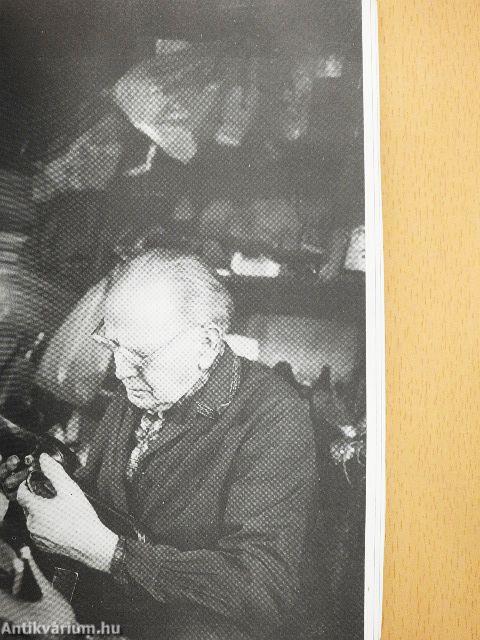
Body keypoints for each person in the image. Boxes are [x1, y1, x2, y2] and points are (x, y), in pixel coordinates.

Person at [0, 249, 316, 640]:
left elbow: (260, 588)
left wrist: (110, 552)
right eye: (113, 346)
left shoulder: (274, 417)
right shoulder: (144, 388)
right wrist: (45, 489)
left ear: (206, 344)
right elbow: (107, 500)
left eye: (139, 355)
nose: (120, 371)